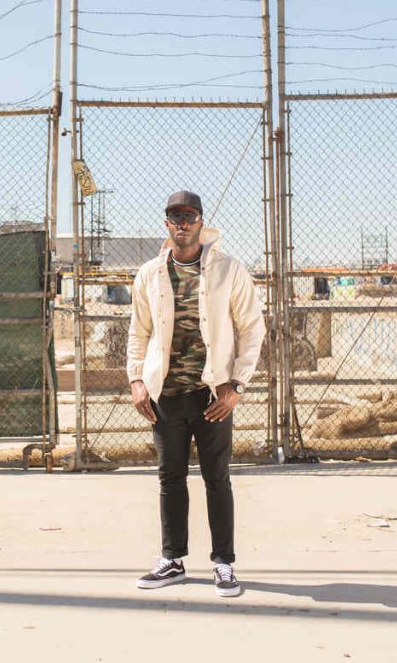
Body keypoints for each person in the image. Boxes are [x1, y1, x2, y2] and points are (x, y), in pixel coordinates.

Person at [127, 190, 266, 598]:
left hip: (213, 394)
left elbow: (252, 329)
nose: (183, 223)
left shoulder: (229, 270)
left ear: (201, 222)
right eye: (175, 216)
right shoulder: (150, 273)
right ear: (167, 224)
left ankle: (224, 563)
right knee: (170, 478)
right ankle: (172, 560)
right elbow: (139, 332)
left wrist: (237, 385)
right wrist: (137, 380)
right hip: (165, 393)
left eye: (189, 216)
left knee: (216, 479)